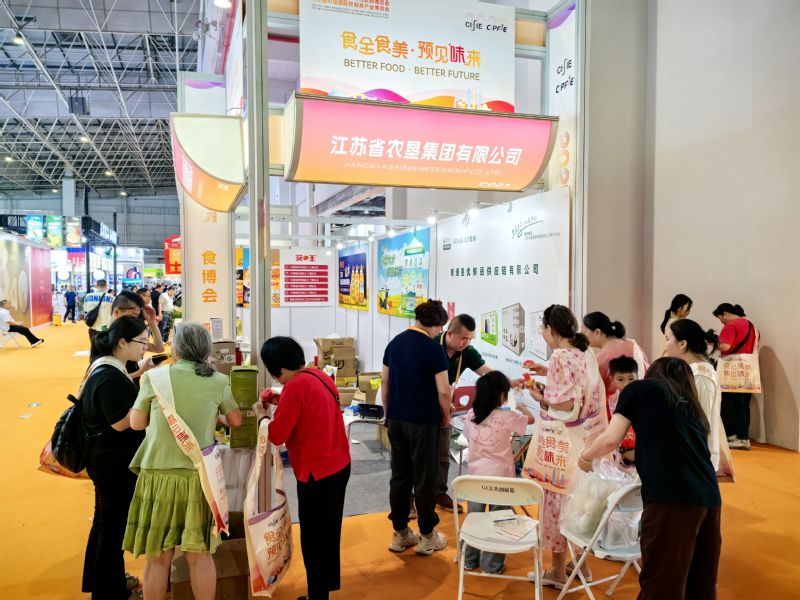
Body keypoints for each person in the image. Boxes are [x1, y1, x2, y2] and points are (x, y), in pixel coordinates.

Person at [579, 358, 722, 600]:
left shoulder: (639, 389)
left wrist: (585, 457)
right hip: (710, 499)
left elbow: (610, 439)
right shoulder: (691, 407)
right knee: (700, 584)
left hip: (672, 499)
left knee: (662, 584)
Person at [125, 323, 242, 600]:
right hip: (198, 477)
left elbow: (136, 423)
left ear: (176, 348)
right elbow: (235, 421)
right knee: (200, 556)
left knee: (158, 558)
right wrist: (212, 414)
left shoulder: (155, 377)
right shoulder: (218, 380)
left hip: (158, 475)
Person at [255, 336, 351, 600]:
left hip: (316, 473)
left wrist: (262, 417)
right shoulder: (320, 375)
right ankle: (323, 591)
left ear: (278, 368)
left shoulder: (294, 387)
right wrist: (283, 400)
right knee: (329, 533)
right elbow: (310, 408)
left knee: (313, 538)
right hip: (339, 464)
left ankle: (317, 597)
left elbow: (277, 435)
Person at [523, 304, 606, 588]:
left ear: (551, 329)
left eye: (542, 329)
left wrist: (541, 398)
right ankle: (580, 566)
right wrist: (546, 371)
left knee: (557, 502)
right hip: (586, 441)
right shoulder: (585, 352)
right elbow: (581, 387)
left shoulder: (560, 355)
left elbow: (567, 403)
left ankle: (557, 572)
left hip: (561, 443)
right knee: (578, 503)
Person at [81, 316, 150, 600]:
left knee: (104, 526)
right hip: (112, 462)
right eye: (141, 342)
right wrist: (150, 400)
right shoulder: (109, 377)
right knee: (113, 531)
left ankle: (100, 584)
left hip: (106, 459)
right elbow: (121, 423)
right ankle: (111, 593)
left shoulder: (107, 368)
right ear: (122, 342)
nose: (145, 347)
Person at [431, 314, 523, 513]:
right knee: (421, 454)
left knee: (442, 454)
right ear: (450, 333)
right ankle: (414, 498)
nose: (467, 343)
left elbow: (488, 372)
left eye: (470, 339)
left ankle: (439, 493)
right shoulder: (432, 346)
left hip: (446, 406)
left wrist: (508, 383)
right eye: (463, 338)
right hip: (426, 404)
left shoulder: (467, 352)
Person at [382, 299, 451, 556]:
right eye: (440, 327)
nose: (439, 332)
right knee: (424, 477)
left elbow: (385, 383)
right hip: (423, 421)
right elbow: (443, 391)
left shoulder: (394, 343)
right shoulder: (433, 348)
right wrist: (446, 415)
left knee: (399, 476)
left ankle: (400, 533)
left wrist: (389, 413)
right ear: (436, 324)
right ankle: (427, 536)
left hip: (396, 419)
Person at [461, 371, 535, 574]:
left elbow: (468, 437)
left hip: (475, 479)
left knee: (473, 519)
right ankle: (492, 566)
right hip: (501, 479)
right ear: (502, 394)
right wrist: (522, 406)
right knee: (500, 520)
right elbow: (530, 419)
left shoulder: (471, 414)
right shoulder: (508, 416)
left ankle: (468, 560)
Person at [665, 319, 733, 474]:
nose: (666, 345)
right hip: (693, 456)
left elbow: (700, 423)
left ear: (682, 344)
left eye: (668, 339)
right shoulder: (694, 370)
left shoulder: (700, 376)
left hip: (696, 459)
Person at [713, 303, 759, 451]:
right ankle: (742, 435)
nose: (721, 322)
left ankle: (741, 439)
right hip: (748, 370)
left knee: (734, 404)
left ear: (725, 313)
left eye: (720, 318)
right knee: (744, 404)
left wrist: (711, 342)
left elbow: (725, 346)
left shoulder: (731, 326)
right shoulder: (752, 326)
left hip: (733, 370)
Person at [93, 291, 164, 385]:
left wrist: (152, 322)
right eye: (133, 315)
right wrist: (139, 372)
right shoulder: (105, 339)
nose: (135, 320)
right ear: (117, 312)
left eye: (137, 316)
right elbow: (107, 379)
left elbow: (159, 348)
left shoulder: (128, 333)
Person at [581, 311, 649, 397]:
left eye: (584, 332)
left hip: (616, 403)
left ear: (597, 332)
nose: (582, 336)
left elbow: (593, 391)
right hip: (643, 397)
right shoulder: (632, 344)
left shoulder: (600, 359)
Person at [606, 356, 639, 472]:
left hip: (638, 452)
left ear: (637, 378)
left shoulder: (643, 401)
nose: (626, 384)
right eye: (620, 379)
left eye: (631, 379)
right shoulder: (609, 402)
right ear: (612, 380)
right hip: (616, 453)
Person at [84, 279, 114, 343]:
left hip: (92, 326)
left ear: (96, 286)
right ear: (106, 286)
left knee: (93, 346)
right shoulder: (111, 297)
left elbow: (86, 311)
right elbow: (113, 312)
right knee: (104, 346)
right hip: (105, 327)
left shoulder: (88, 296)